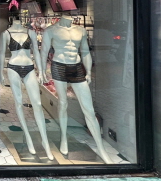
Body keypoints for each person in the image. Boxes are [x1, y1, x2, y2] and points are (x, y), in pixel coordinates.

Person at [40, 14, 113, 164]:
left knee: (89, 109)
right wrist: (42, 71)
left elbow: (85, 51)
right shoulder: (51, 30)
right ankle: (63, 138)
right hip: (59, 66)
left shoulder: (81, 30)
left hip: (77, 67)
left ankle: (101, 149)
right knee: (63, 103)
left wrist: (88, 71)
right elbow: (44, 51)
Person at [0, 8, 54, 160]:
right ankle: (28, 137)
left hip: (29, 68)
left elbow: (36, 52)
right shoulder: (6, 34)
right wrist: (0, 73)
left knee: (37, 104)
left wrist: (41, 71)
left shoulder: (31, 32)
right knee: (19, 103)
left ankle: (45, 141)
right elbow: (2, 54)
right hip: (13, 68)